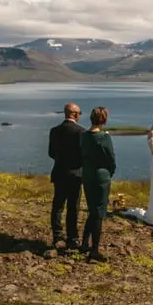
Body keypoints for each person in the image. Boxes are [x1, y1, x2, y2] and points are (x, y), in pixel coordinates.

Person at [78, 106, 116, 261]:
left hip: (87, 174)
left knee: (92, 209)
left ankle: (84, 242)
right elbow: (111, 158)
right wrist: (110, 172)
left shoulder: (84, 136)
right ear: (104, 120)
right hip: (101, 175)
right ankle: (94, 250)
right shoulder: (104, 137)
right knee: (99, 212)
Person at [47, 102, 84, 249]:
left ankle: (57, 236)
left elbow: (51, 153)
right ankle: (72, 238)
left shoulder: (54, 131)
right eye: (79, 113)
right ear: (74, 114)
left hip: (60, 172)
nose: (80, 116)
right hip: (75, 174)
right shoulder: (81, 132)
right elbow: (83, 155)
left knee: (58, 206)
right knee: (73, 207)